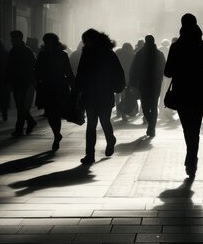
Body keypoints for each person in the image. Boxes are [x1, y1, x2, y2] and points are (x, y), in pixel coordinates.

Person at [164, 13, 203, 178]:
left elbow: (167, 71)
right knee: (195, 127)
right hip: (200, 91)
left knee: (187, 127)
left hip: (181, 91)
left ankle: (191, 156)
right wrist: (202, 76)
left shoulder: (176, 47)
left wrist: (180, 72)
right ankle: (192, 157)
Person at [74, 29, 125, 165]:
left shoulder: (96, 54)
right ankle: (90, 154)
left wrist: (77, 91)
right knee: (95, 123)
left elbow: (81, 74)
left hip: (97, 93)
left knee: (101, 121)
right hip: (99, 94)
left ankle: (104, 144)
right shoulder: (108, 54)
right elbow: (118, 73)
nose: (87, 44)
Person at [35, 33, 75, 150]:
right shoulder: (51, 54)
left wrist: (74, 86)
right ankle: (57, 134)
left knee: (54, 112)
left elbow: (68, 71)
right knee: (51, 113)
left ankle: (57, 134)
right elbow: (38, 70)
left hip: (56, 86)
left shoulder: (58, 55)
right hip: (53, 86)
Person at [129, 35, 166, 137]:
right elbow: (164, 68)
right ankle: (152, 127)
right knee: (154, 106)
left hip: (143, 84)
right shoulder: (159, 53)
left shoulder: (140, 54)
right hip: (156, 84)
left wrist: (132, 82)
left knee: (145, 106)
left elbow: (134, 69)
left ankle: (151, 124)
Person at [5, 30, 37, 137]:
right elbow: (9, 67)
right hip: (17, 81)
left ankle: (19, 128)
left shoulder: (25, 51)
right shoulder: (14, 51)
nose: (12, 40)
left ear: (20, 38)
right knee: (20, 106)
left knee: (20, 105)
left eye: (14, 38)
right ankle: (30, 122)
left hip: (24, 82)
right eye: (12, 38)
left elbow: (33, 66)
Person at [115, 42, 136, 120]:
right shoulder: (132, 55)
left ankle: (118, 112)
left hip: (118, 77)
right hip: (127, 78)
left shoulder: (118, 54)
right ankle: (124, 114)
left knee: (118, 95)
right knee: (125, 96)